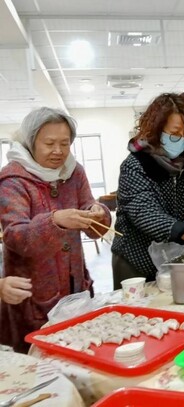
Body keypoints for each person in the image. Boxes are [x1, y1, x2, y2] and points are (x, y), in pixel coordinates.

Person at [0, 107, 111, 353]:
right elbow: (16, 237)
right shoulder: (13, 180)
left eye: (65, 143)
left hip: (75, 288)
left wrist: (97, 212)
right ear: (31, 142)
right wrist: (56, 221)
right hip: (32, 297)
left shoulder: (74, 172)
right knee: (40, 366)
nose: (58, 151)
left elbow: (93, 224)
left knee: (83, 354)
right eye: (49, 143)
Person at [111, 93, 184, 289]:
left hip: (170, 258)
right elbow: (145, 214)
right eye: (175, 133)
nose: (181, 139)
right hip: (134, 260)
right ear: (156, 129)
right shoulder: (135, 164)